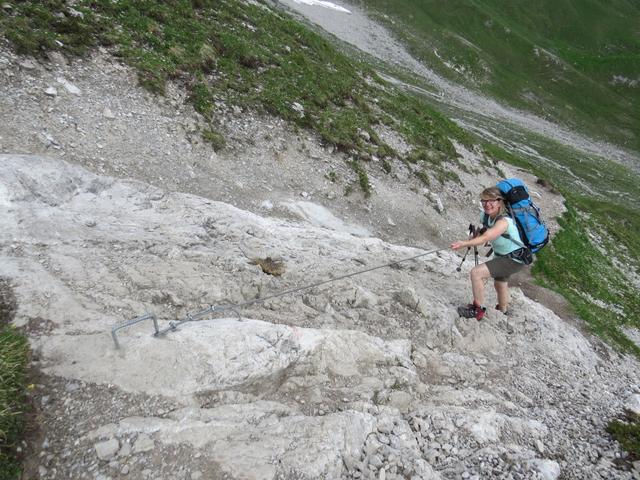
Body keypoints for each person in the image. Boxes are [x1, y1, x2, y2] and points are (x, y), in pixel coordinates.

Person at [450, 187, 529, 320]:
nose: (487, 204)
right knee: (500, 283)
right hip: (505, 255)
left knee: (476, 273)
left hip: (513, 259)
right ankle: (503, 311)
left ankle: (477, 310)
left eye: (491, 200)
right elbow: (484, 231)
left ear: (500, 202)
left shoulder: (504, 222)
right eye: (484, 201)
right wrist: (476, 236)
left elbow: (487, 237)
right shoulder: (485, 216)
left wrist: (464, 243)